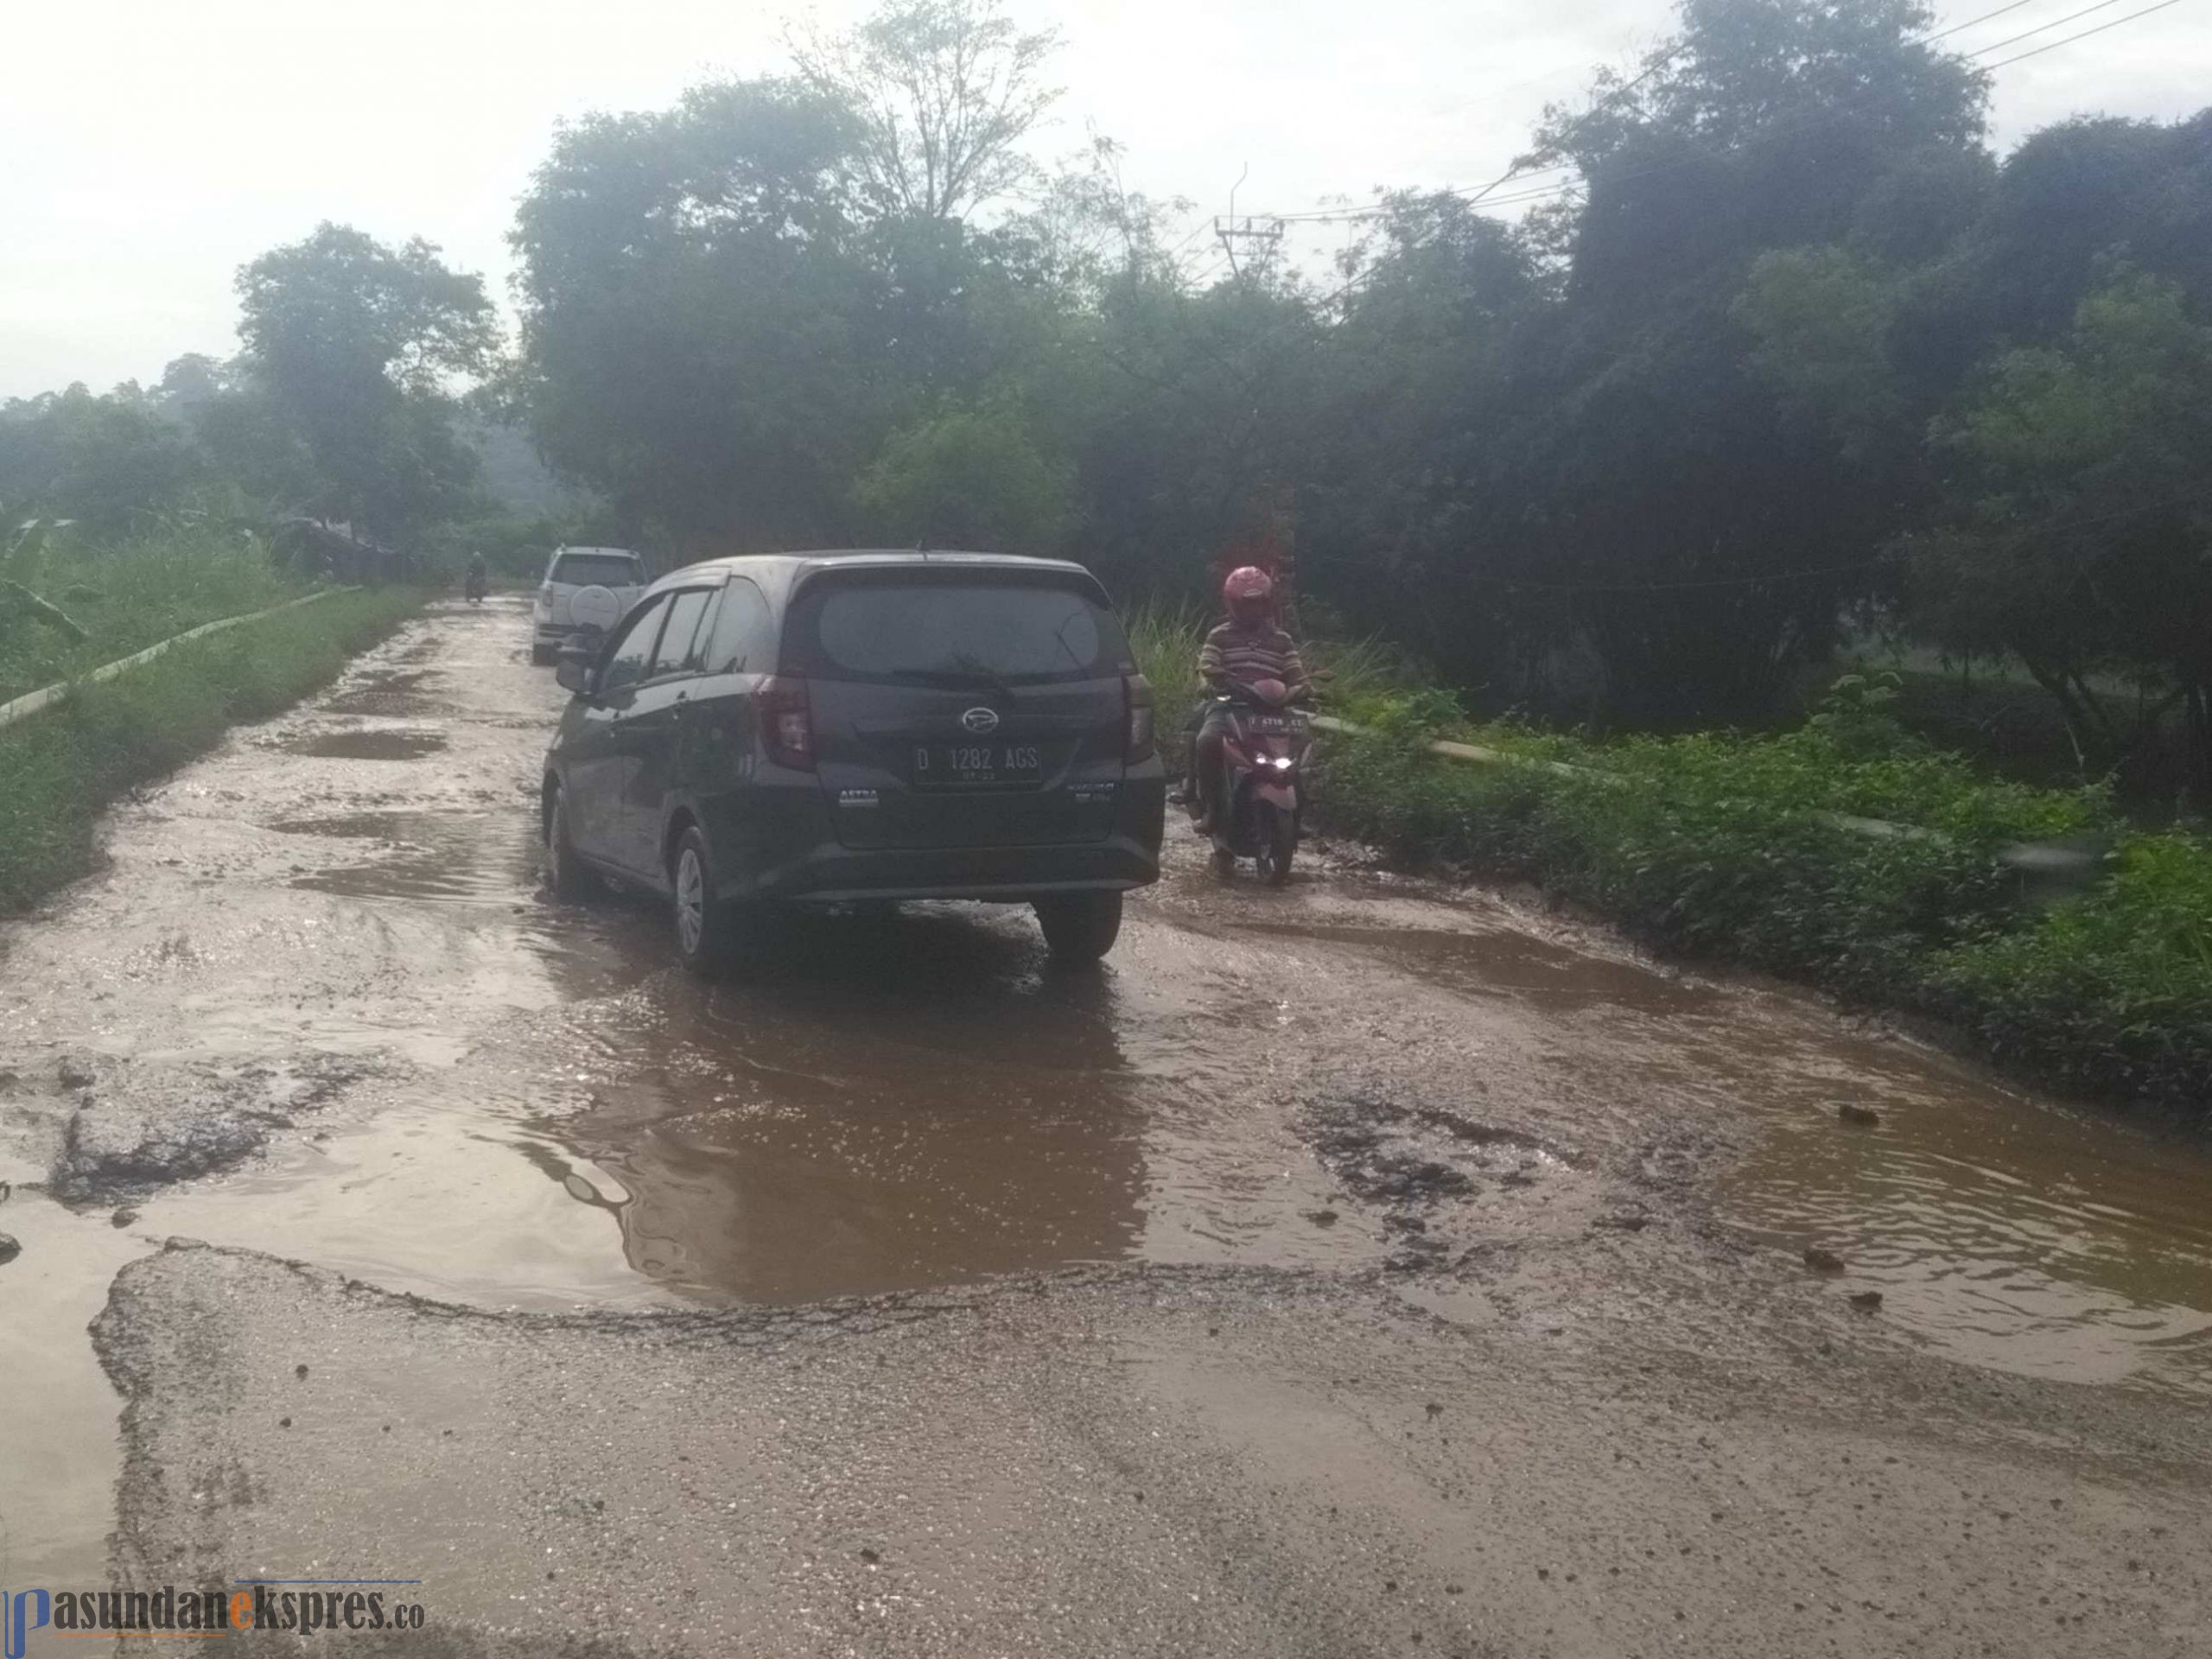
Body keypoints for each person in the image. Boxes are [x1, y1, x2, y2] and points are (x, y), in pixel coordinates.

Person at [1190, 566, 1307, 832]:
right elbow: (1206, 667)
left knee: (1300, 745)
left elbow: (1296, 674)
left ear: (1267, 604)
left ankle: (1297, 811)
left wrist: (1305, 690)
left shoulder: (1282, 640)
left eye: (1257, 604)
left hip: (1272, 712)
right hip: (1230, 707)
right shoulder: (1219, 635)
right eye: (1246, 605)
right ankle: (1213, 811)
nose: (1252, 610)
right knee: (1207, 740)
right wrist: (1208, 684)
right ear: (1233, 605)